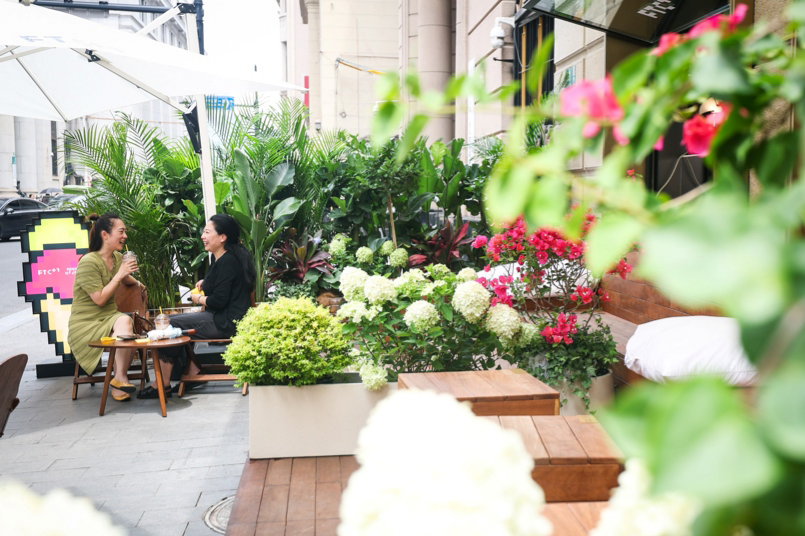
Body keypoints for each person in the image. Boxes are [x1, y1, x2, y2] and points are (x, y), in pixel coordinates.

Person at [137, 214, 255, 399]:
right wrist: (204, 283)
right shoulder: (219, 259)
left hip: (226, 321)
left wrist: (197, 299)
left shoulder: (228, 262)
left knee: (168, 324)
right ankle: (192, 370)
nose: (202, 236)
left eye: (207, 232)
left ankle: (163, 383)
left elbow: (218, 301)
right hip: (219, 317)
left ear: (222, 237)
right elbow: (213, 284)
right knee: (170, 322)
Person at [68, 213, 144, 402]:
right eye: (121, 231)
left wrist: (140, 285)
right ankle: (120, 380)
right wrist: (120, 274)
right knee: (124, 322)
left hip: (109, 317)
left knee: (124, 321)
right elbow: (100, 299)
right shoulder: (88, 262)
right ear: (105, 235)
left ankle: (119, 379)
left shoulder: (117, 257)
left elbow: (126, 278)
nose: (125, 235)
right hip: (86, 323)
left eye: (125, 231)